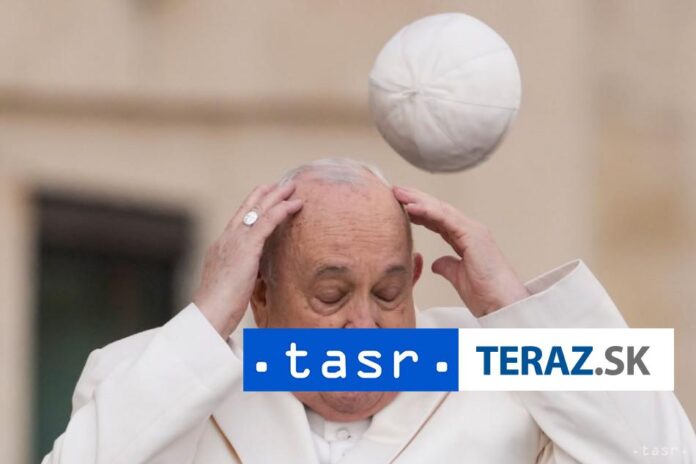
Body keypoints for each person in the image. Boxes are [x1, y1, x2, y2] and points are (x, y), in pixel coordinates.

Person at [43, 158, 696, 463]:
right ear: (259, 295)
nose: (364, 326)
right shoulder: (156, 377)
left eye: (388, 293)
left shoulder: (498, 369)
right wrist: (208, 319)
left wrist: (515, 309)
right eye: (331, 296)